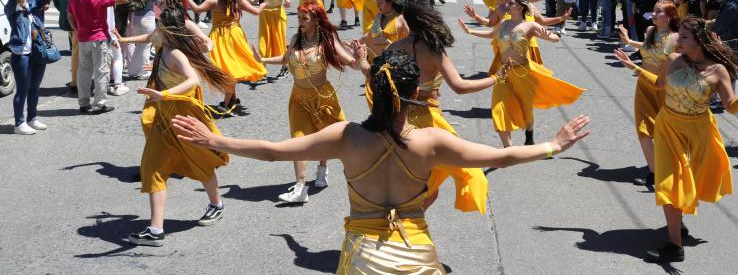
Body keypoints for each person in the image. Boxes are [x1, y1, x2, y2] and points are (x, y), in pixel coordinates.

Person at [172, 49, 590, 272]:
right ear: (415, 95)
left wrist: (215, 139)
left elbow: (274, 150)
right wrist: (553, 145)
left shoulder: (347, 135)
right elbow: (504, 155)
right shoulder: (432, 141)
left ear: (374, 88)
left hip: (364, 255)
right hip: (418, 254)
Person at [614, 17, 738, 263]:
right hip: (668, 128)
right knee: (667, 183)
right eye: (679, 35)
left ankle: (677, 223)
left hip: (697, 131)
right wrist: (633, 67)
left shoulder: (718, 70)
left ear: (700, 41)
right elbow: (658, 84)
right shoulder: (672, 60)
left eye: (684, 36)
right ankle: (675, 246)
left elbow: (730, 107)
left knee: (686, 182)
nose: (678, 39)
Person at [125, 0, 233, 246]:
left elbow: (193, 80)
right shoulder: (163, 46)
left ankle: (216, 204)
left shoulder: (175, 54)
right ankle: (155, 229)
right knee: (152, 168)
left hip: (182, 117)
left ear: (168, 30)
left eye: (159, 24)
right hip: (165, 118)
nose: (156, 27)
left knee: (200, 161)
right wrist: (123, 39)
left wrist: (162, 94)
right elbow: (147, 38)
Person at [384, 0, 497, 214]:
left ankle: (403, 223)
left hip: (397, 118)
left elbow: (378, 81)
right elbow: (459, 86)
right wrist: (496, 78)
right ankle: (404, 224)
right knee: (464, 168)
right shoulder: (433, 50)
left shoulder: (394, 48)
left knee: (420, 184)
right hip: (428, 120)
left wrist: (360, 63)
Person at [255, 2, 362, 203]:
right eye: (299, 17)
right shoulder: (297, 39)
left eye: (305, 18)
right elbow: (285, 59)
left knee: (325, 137)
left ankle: (322, 168)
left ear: (316, 21)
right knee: (298, 140)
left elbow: (351, 63)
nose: (300, 22)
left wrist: (358, 58)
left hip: (323, 97)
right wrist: (263, 59)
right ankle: (300, 187)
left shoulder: (327, 41)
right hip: (298, 97)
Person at [458, 0, 585, 147]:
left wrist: (548, 37)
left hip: (523, 73)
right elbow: (492, 34)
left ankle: (529, 133)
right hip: (502, 73)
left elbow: (555, 38)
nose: (506, 5)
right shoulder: (504, 23)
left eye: (510, 3)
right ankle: (508, 149)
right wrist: (470, 31)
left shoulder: (529, 25)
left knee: (527, 111)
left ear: (519, 7)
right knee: (498, 107)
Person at [617, 1, 680, 188]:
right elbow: (645, 47)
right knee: (643, 130)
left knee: (664, 132)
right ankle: (654, 172)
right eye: (654, 10)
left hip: (665, 89)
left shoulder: (677, 38)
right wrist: (629, 42)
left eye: (658, 12)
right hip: (644, 85)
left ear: (669, 17)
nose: (653, 14)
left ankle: (669, 168)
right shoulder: (651, 31)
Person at [184, 0, 266, 116]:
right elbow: (257, 12)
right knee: (231, 66)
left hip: (221, 37)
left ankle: (226, 102)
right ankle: (233, 99)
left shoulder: (213, 1)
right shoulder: (237, 0)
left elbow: (197, 9)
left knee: (226, 69)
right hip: (235, 35)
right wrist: (263, 5)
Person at [67, 0, 135, 114]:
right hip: (99, 39)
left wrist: (77, 30)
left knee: (83, 71)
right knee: (101, 71)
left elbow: (70, 16)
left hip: (83, 38)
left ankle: (84, 103)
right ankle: (99, 104)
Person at [6, 0, 52, 135]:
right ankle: (19, 123)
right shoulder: (12, 9)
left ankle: (32, 118)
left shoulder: (32, 4)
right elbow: (12, 0)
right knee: (22, 89)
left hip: (37, 51)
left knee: (35, 87)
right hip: (21, 53)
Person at [357, 0, 409, 110]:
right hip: (376, 66)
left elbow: (412, 39)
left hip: (394, 68)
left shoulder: (401, 18)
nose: (377, 6)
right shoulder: (379, 16)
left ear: (390, 2)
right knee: (376, 107)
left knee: (392, 108)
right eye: (377, 3)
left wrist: (394, 45)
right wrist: (355, 42)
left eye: (380, 3)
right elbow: (370, 34)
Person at [252, 0, 291, 79]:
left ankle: (285, 67)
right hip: (265, 16)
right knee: (263, 41)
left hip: (278, 16)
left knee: (279, 42)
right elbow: (255, 0)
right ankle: (262, 68)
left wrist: (287, 2)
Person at [127, 0, 162, 80]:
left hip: (136, 17)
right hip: (147, 17)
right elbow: (159, 1)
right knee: (146, 45)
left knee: (139, 45)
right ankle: (144, 72)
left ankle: (133, 70)